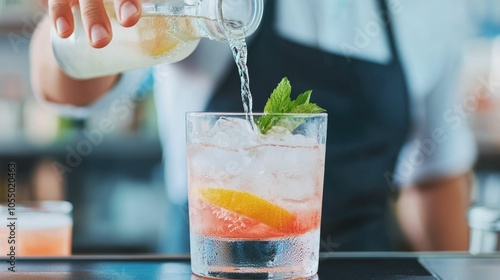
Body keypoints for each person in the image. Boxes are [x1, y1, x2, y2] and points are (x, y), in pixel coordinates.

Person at [31, 0, 476, 252]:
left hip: (365, 259)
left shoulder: (438, 9)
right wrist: (70, 24)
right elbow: (68, 91)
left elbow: (434, 176)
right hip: (207, 261)